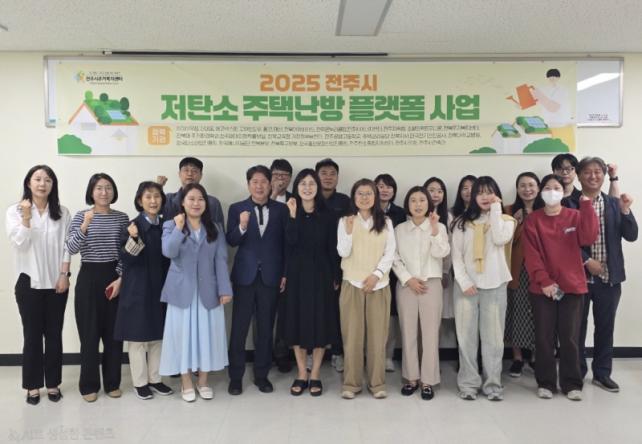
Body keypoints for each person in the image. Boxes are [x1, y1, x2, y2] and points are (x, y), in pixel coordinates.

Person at [522, 174, 598, 401]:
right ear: (541, 192)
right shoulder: (533, 220)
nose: (552, 191)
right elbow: (531, 255)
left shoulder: (575, 215)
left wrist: (586, 205)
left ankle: (572, 383)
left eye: (557, 187)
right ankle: (546, 382)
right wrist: (544, 281)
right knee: (544, 337)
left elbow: (588, 237)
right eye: (547, 187)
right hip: (542, 289)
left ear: (563, 192)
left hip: (572, 287)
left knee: (570, 338)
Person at [159, 183, 232, 402]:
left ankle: (203, 381)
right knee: (182, 337)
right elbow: (168, 252)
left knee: (207, 335)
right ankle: (186, 381)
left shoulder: (215, 228)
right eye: (191, 199)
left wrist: (225, 289)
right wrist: (179, 228)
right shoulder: (171, 225)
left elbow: (221, 260)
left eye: (200, 199)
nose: (196, 203)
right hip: (182, 292)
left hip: (208, 291)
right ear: (182, 202)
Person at [6, 165, 71, 405]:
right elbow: (19, 244)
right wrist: (26, 217)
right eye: (38, 179)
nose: (42, 184)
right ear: (29, 183)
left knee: (54, 334)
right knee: (32, 336)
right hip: (29, 282)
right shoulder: (14, 211)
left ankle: (53, 383)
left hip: (57, 282)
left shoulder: (62, 212)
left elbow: (67, 246)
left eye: (48, 180)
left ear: (53, 185)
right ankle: (32, 386)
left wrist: (64, 274)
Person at [573, 157, 638, 393]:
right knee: (576, 329)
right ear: (579, 175)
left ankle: (602, 374)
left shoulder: (613, 203)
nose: (593, 176)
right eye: (587, 172)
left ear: (604, 175)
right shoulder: (570, 203)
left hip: (610, 278)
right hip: (578, 277)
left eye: (598, 172)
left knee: (605, 328)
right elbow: (564, 239)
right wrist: (586, 261)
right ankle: (576, 373)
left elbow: (631, 235)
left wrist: (626, 210)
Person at [66, 173, 129, 402]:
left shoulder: (122, 218)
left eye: (108, 187)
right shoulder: (81, 216)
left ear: (114, 191)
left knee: (114, 335)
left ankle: (112, 383)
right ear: (91, 192)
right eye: (99, 188)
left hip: (114, 277)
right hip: (89, 278)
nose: (104, 192)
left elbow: (128, 250)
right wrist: (85, 225)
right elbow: (71, 248)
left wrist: (120, 277)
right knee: (89, 334)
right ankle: (89, 385)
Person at [451, 176, 515, 401]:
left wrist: (496, 209)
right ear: (473, 197)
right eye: (480, 193)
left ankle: (493, 385)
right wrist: (464, 282)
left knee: (494, 340)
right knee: (466, 338)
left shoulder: (506, 220)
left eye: (490, 192)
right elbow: (456, 256)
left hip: (495, 285)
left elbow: (499, 239)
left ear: (497, 194)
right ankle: (468, 384)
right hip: (466, 287)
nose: (485, 197)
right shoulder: (461, 223)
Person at [226, 165, 288, 395]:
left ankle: (262, 375)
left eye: (263, 181)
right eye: (255, 181)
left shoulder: (281, 210)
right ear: (248, 184)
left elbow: (285, 244)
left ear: (270, 184)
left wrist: (285, 273)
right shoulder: (236, 208)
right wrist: (242, 226)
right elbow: (231, 240)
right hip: (244, 277)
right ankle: (235, 377)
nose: (259, 186)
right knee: (239, 329)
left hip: (271, 277)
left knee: (265, 329)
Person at [113, 181, 173, 400]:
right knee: (137, 338)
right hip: (137, 289)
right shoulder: (132, 226)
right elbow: (126, 258)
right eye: (148, 197)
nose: (153, 201)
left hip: (160, 287)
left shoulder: (166, 225)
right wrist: (134, 238)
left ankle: (155, 379)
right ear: (140, 201)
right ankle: (140, 383)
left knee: (158, 336)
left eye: (157, 196)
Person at [337, 179, 396, 399]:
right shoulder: (345, 220)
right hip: (352, 284)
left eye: (368, 193)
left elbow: (390, 252)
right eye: (360, 193)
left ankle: (377, 383)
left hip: (378, 285)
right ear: (353, 197)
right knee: (352, 337)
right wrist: (349, 231)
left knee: (377, 338)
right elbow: (342, 252)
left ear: (375, 197)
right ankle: (351, 384)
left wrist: (376, 275)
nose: (364, 197)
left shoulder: (386, 222)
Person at [283, 169, 340, 397]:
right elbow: (289, 243)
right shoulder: (289, 211)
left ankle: (315, 373)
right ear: (297, 187)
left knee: (320, 323)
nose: (307, 188)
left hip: (322, 274)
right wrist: (293, 215)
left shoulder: (329, 215)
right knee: (296, 322)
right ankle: (301, 373)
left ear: (317, 187)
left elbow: (333, 248)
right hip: (296, 275)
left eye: (311, 184)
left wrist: (336, 276)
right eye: (303, 184)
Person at [393, 186, 450, 400]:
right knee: (407, 332)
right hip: (407, 285)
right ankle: (411, 378)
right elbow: (394, 258)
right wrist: (408, 279)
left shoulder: (439, 227)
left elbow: (442, 252)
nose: (418, 204)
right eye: (413, 200)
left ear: (429, 204)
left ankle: (428, 380)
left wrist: (434, 229)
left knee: (430, 334)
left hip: (431, 284)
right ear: (407, 204)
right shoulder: (399, 229)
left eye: (422, 200)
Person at [504, 172, 543, 377]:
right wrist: (515, 223)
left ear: (538, 187)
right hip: (517, 269)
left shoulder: (546, 209)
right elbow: (504, 242)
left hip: (541, 270)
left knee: (540, 312)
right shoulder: (509, 211)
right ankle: (517, 357)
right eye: (523, 185)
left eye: (531, 185)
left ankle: (536, 356)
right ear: (517, 189)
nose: (527, 189)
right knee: (517, 311)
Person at [316, 158, 350, 373]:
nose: (328, 177)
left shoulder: (345, 201)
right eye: (324, 173)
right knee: (313, 309)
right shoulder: (309, 197)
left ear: (337, 177)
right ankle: (311, 351)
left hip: (339, 262)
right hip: (313, 263)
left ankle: (338, 352)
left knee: (338, 311)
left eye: (332, 174)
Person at [375, 173, 406, 372]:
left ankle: (388, 355)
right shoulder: (367, 209)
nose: (384, 190)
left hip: (393, 270)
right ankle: (372, 355)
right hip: (371, 268)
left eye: (389, 187)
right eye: (380, 186)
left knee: (391, 314)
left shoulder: (400, 213)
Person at [270, 158, 294, 373]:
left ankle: (282, 354)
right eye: (276, 175)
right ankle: (263, 353)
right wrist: (273, 195)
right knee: (262, 315)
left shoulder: (295, 200)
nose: (280, 179)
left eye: (284, 176)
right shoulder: (260, 198)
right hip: (263, 266)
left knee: (285, 313)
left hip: (287, 264)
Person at [157, 156, 225, 228]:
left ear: (201, 175)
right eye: (186, 170)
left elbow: (219, 230)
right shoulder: (168, 199)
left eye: (194, 171)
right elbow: (153, 214)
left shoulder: (213, 202)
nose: (190, 174)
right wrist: (158, 187)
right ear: (179, 174)